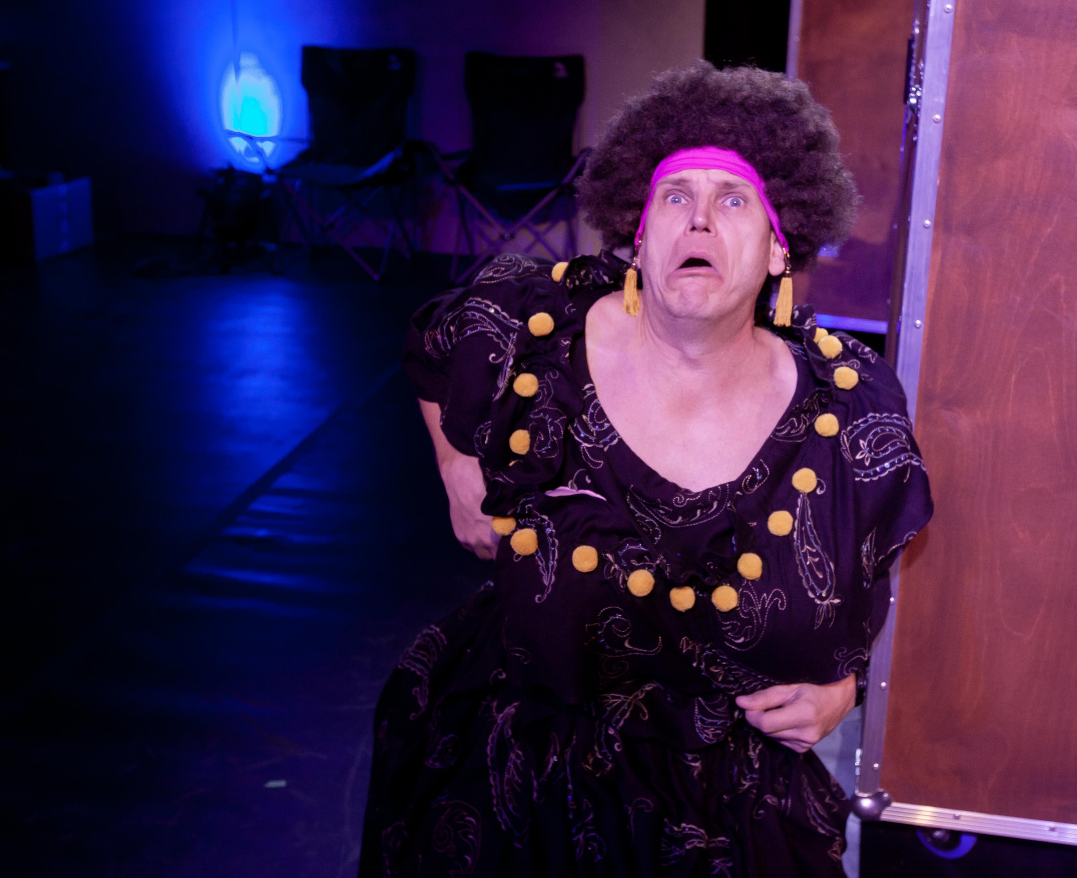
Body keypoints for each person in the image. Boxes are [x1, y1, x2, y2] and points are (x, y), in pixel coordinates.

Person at [358, 62, 934, 877]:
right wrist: (457, 470)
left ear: (779, 249)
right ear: (638, 237)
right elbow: (431, 340)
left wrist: (846, 685)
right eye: (675, 197)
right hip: (521, 783)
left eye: (733, 202)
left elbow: (881, 566)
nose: (698, 219)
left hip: (720, 811)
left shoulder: (847, 411)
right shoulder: (541, 332)